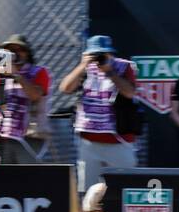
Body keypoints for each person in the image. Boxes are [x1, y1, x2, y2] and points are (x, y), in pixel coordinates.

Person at [58, 35, 140, 193]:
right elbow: (65, 88)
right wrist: (83, 65)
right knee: (88, 192)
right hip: (89, 141)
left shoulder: (124, 66)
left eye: (104, 54)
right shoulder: (85, 69)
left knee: (126, 188)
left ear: (111, 54)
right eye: (96, 54)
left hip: (119, 139)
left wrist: (110, 72)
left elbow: (130, 93)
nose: (99, 58)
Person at [0, 34, 51, 164]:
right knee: (3, 178)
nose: (15, 53)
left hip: (30, 136)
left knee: (27, 178)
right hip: (3, 135)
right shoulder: (1, 73)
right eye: (10, 50)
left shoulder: (39, 72)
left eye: (19, 50)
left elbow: (35, 95)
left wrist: (16, 74)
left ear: (27, 53)